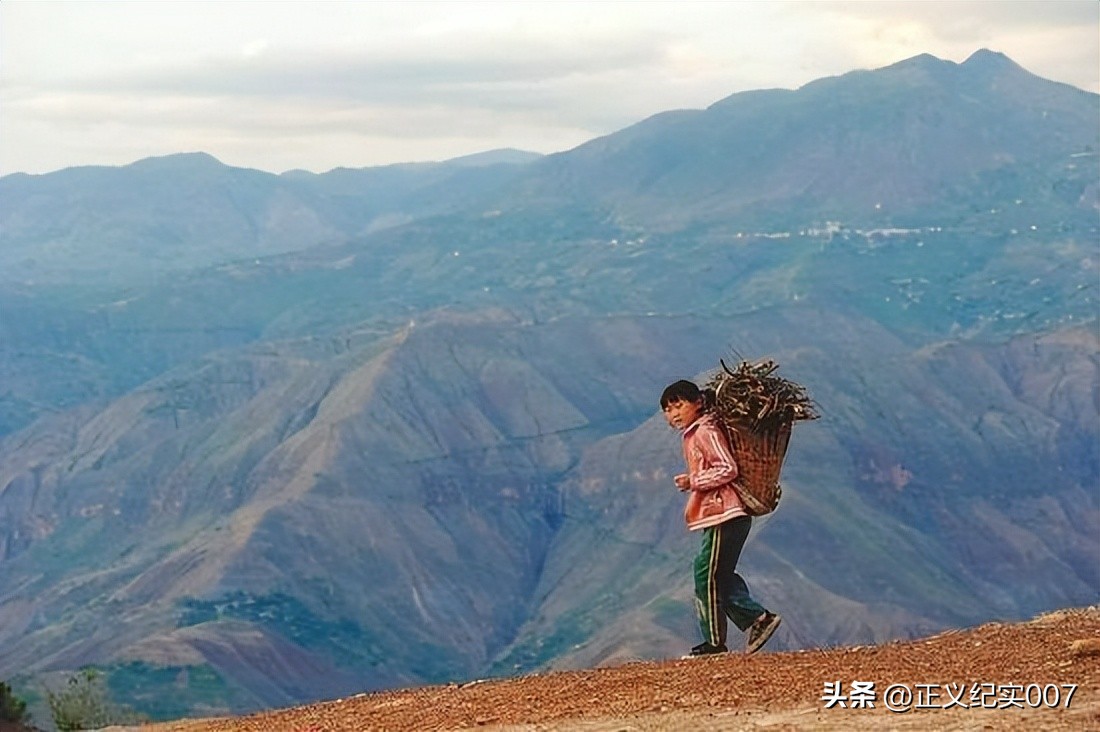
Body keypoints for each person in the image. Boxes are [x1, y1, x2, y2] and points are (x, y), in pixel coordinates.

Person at [660, 379, 782, 656]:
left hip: (723, 514)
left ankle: (715, 643)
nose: (673, 414)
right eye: (668, 410)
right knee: (719, 575)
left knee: (706, 575)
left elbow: (727, 468)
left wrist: (694, 481)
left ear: (699, 402)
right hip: (724, 516)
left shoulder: (705, 431)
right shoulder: (696, 432)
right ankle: (758, 620)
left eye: (679, 405)